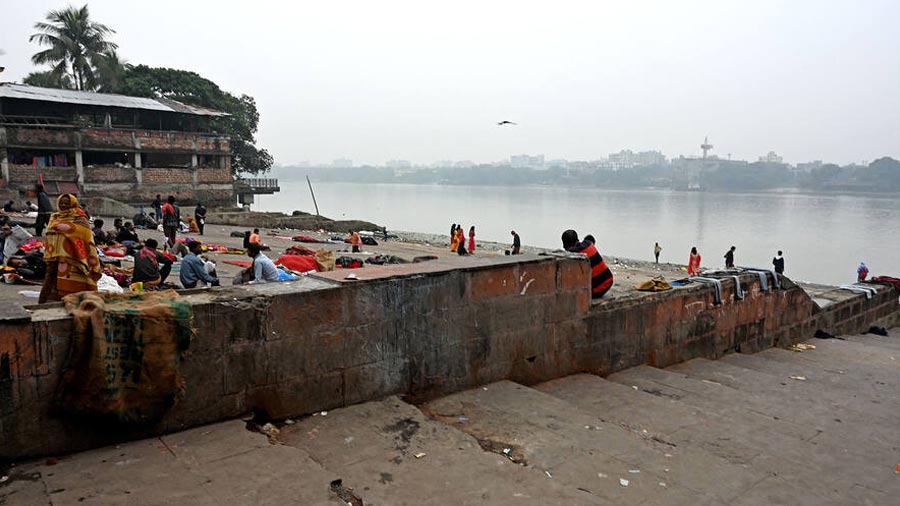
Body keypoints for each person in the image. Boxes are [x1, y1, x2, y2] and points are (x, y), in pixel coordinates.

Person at [38, 194, 102, 302]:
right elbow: (49, 234)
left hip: (74, 258)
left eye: (66, 203)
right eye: (61, 203)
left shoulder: (80, 218)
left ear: (72, 204)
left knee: (71, 283)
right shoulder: (54, 217)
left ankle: (73, 302)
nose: (63, 205)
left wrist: (67, 229)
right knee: (52, 284)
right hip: (54, 258)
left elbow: (86, 235)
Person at [561, 229, 614, 299]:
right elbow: (590, 239)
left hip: (596, 290)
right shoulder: (588, 243)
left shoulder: (572, 254)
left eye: (564, 243)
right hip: (609, 281)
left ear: (565, 244)